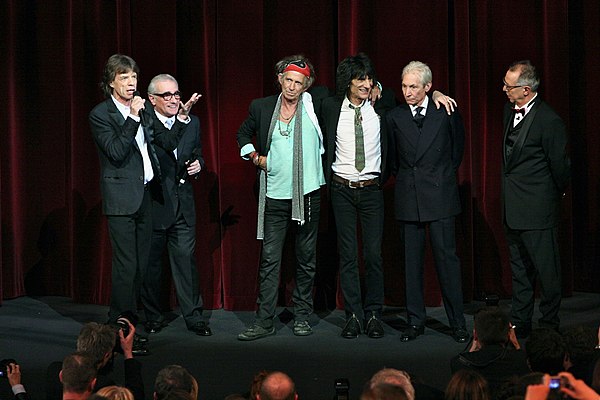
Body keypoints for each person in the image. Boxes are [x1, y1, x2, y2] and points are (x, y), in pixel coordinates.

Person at [319, 53, 457, 339]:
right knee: (347, 256)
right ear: (348, 81)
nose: (367, 84)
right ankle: (353, 315)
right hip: (341, 189)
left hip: (372, 190)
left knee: (373, 255)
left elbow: (422, 98)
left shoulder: (383, 103)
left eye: (370, 79)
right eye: (361, 80)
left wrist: (438, 92)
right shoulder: (330, 106)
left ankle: (372, 315)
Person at [89, 54, 196, 325]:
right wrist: (133, 117)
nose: (130, 82)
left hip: (146, 197)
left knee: (141, 266)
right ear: (111, 83)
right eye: (124, 77)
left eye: (134, 77)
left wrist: (182, 119)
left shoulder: (145, 111)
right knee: (127, 267)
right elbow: (115, 151)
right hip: (122, 201)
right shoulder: (102, 114)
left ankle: (132, 324)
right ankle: (120, 324)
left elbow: (165, 141)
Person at [236, 55, 326, 340]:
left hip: (307, 194)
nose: (291, 86)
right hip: (275, 195)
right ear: (280, 79)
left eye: (298, 82)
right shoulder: (262, 107)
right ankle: (264, 321)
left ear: (305, 86)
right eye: (288, 80)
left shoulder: (315, 105)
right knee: (270, 260)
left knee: (306, 258)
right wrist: (255, 157)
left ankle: (302, 317)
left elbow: (350, 96)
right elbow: (243, 133)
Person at [386, 60, 468, 343]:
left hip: (441, 196)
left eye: (413, 87)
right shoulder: (395, 117)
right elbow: (393, 160)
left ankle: (457, 322)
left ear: (428, 87)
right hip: (409, 197)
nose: (407, 92)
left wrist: (440, 177)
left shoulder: (445, 111)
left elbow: (457, 151)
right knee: (411, 264)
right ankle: (415, 321)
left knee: (447, 261)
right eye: (404, 86)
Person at [501, 60, 571, 338]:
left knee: (547, 273)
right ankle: (520, 321)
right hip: (512, 209)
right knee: (520, 272)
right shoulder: (509, 110)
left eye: (509, 86)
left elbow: (560, 167)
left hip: (538, 210)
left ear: (526, 89)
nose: (504, 89)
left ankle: (550, 325)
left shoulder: (549, 121)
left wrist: (551, 197)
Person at [139, 73, 211, 337]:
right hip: (155, 204)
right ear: (152, 99)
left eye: (176, 94)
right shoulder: (145, 122)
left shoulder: (193, 123)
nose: (173, 100)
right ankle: (154, 317)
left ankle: (194, 317)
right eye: (166, 95)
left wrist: (199, 165)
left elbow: (198, 153)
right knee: (153, 267)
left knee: (185, 263)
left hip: (183, 205)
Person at [46, 320, 144, 400]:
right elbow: (134, 397)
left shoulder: (54, 370)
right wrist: (128, 353)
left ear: (61, 375)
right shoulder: (103, 387)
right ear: (107, 355)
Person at [451, 307, 530, 397]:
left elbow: (462, 384)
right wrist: (516, 344)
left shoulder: (459, 363)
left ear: (475, 335)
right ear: (509, 334)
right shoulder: (520, 360)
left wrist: (473, 347)